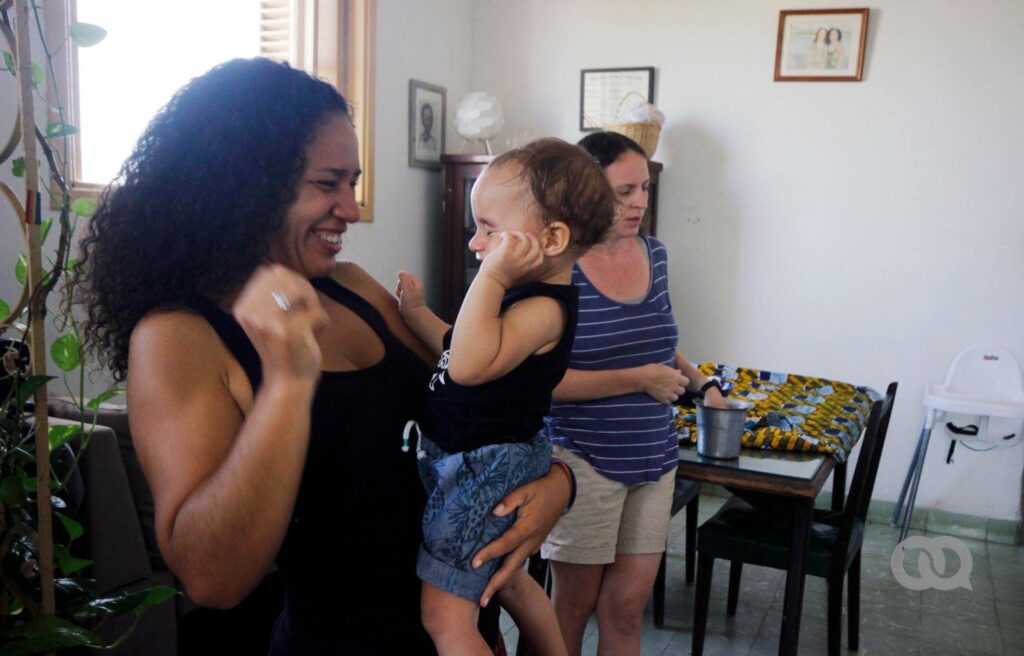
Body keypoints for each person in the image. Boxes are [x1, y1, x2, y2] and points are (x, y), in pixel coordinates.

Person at [73, 57, 572, 655]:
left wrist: (559, 487)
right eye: (327, 183)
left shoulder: (356, 288)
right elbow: (213, 579)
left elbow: (484, 401)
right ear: (249, 183)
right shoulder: (178, 338)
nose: (353, 209)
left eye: (354, 183)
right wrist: (286, 380)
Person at [396, 138, 615, 656]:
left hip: (483, 467)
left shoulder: (544, 309)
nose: (476, 243)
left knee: (446, 618)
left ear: (553, 238)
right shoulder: (526, 301)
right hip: (487, 461)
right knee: (512, 582)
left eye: (489, 229)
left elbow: (469, 368)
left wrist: (490, 276)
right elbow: (459, 349)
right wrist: (416, 316)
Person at [541, 131, 726, 656]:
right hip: (580, 464)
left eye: (644, 188)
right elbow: (544, 383)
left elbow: (660, 341)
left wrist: (702, 382)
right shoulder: (560, 268)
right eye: (625, 191)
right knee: (570, 609)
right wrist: (640, 379)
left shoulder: (656, 254)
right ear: (586, 189)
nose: (640, 201)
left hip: (654, 460)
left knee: (625, 609)